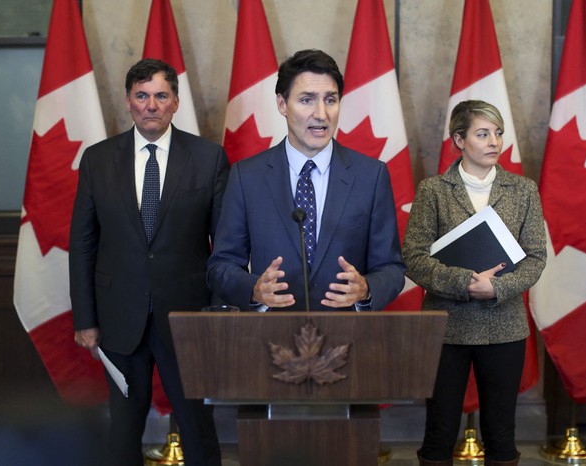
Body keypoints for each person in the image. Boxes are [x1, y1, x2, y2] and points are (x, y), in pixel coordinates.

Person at [69, 58, 229, 466]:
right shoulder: (98, 160)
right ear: (128, 102)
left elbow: (226, 245)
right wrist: (85, 320)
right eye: (142, 96)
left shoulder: (208, 158)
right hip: (119, 316)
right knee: (123, 428)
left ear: (175, 102)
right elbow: (83, 243)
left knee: (197, 425)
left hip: (188, 317)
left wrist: (221, 314)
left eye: (161, 95)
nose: (151, 105)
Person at [402, 100, 546, 466]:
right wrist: (463, 281)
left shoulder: (523, 189)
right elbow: (414, 258)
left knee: (501, 433)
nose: (494, 141)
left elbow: (536, 258)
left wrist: (496, 288)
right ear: (459, 140)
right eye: (483, 134)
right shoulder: (432, 190)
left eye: (497, 133)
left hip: (505, 327)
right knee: (439, 431)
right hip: (446, 328)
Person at [207, 49, 405, 312]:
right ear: (282, 104)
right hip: (271, 337)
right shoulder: (247, 176)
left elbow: (391, 269)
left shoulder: (371, 175)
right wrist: (253, 289)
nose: (321, 114)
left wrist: (366, 288)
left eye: (330, 100)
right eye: (307, 100)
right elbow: (221, 265)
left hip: (348, 336)